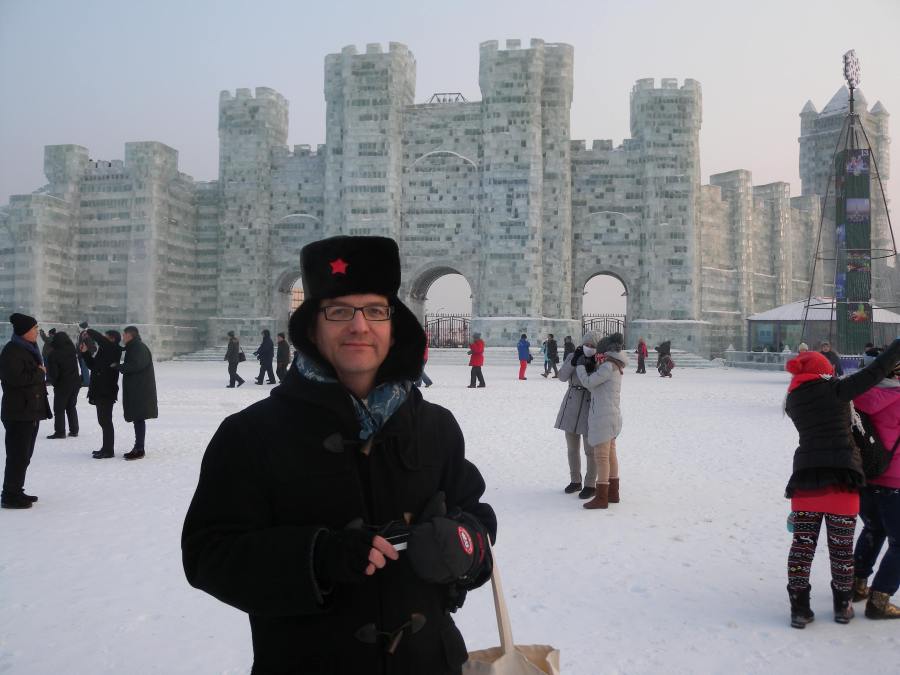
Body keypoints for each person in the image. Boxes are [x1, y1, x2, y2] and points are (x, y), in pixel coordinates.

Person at [182, 235, 496, 673]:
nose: (359, 326)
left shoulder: (436, 427)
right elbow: (208, 556)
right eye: (339, 311)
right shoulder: (250, 435)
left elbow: (478, 521)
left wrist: (463, 546)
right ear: (312, 327)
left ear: (394, 325)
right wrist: (318, 557)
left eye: (374, 310)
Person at [783, 340, 900, 629]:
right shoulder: (837, 391)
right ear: (826, 372)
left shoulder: (794, 399)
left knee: (801, 547)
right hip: (842, 481)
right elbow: (876, 371)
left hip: (805, 481)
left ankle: (799, 609)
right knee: (841, 550)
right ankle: (843, 606)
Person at [852, 357, 900, 619]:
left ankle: (856, 585)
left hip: (865, 476)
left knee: (873, 528)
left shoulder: (858, 395)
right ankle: (879, 599)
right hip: (895, 480)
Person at [1, 313, 51, 509]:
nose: (37, 332)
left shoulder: (28, 348)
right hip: (18, 411)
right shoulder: (12, 351)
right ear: (24, 332)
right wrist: (39, 373)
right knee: (17, 455)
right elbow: (15, 379)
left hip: (29, 410)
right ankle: (10, 495)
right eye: (34, 329)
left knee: (24, 455)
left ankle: (16, 490)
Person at [577, 335, 628, 509]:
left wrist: (581, 367)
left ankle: (602, 497)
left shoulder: (607, 367)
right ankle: (613, 493)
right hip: (611, 415)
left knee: (602, 457)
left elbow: (588, 382)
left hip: (603, 416)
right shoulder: (616, 366)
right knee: (611, 455)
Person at [556, 332, 599, 499]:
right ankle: (575, 480)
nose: (590, 347)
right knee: (572, 448)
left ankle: (590, 484)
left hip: (590, 405)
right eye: (587, 344)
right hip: (572, 404)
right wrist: (573, 363)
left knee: (591, 450)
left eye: (593, 345)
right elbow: (561, 377)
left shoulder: (599, 360)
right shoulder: (573, 356)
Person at [81, 328, 123, 459]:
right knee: (103, 421)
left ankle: (108, 450)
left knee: (105, 421)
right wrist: (85, 353)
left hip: (106, 390)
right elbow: (93, 366)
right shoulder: (104, 350)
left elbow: (101, 340)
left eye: (106, 337)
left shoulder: (113, 349)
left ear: (112, 339)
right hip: (99, 389)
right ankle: (105, 448)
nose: (103, 339)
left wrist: (89, 331)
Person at [118, 326, 158, 460]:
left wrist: (119, 366)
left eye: (124, 335)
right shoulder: (134, 347)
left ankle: (139, 449)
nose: (123, 337)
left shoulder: (138, 348)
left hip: (140, 390)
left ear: (130, 336)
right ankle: (138, 447)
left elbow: (136, 365)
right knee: (138, 419)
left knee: (139, 419)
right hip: (138, 389)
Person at [44, 331, 80, 439]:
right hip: (75, 382)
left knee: (59, 408)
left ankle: (60, 432)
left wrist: (53, 382)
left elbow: (54, 374)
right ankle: (74, 430)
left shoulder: (54, 354)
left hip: (63, 384)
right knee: (71, 406)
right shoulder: (72, 351)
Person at [76, 321, 92, 387]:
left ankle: (86, 382)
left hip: (84, 353)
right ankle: (84, 380)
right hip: (81, 353)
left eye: (79, 327)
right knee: (83, 368)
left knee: (84, 368)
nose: (78, 328)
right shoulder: (83, 333)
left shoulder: (85, 334)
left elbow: (85, 344)